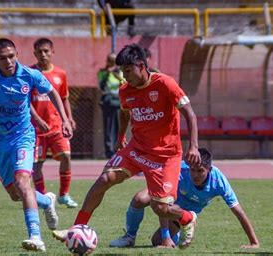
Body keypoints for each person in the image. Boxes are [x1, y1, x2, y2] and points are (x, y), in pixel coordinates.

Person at [53, 44, 201, 249]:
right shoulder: (125, 90)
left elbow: (190, 114)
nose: (124, 76)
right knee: (105, 179)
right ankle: (77, 227)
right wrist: (120, 137)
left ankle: (187, 218)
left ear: (141, 65)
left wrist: (193, 146)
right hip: (137, 149)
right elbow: (124, 113)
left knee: (161, 208)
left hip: (165, 156)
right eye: (122, 71)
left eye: (128, 70)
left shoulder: (166, 84)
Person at [0, 38, 73, 252]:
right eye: (2, 58)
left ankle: (35, 236)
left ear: (17, 55)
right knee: (16, 194)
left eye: (12, 56)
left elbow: (52, 91)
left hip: (23, 135)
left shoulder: (29, 74)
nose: (8, 61)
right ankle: (46, 201)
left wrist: (65, 119)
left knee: (23, 182)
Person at [109, 148, 260, 249]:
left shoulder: (218, 181)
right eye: (192, 170)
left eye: (200, 171)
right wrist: (165, 236)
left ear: (209, 169)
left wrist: (254, 243)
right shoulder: (180, 169)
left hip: (183, 212)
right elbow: (162, 199)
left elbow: (238, 211)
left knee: (156, 241)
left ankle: (186, 223)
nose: (195, 175)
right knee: (139, 199)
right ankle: (129, 237)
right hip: (168, 200)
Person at [30, 38, 78, 208]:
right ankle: (43, 197)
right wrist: (36, 118)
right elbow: (25, 101)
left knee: (66, 156)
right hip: (35, 129)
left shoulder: (60, 74)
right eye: (39, 51)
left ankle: (64, 195)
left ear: (52, 52)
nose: (43, 54)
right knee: (36, 165)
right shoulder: (29, 73)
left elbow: (64, 99)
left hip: (56, 125)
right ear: (34, 53)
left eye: (46, 51)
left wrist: (69, 118)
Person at [97, 53, 124, 158]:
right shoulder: (102, 72)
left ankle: (119, 150)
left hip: (119, 102)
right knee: (109, 127)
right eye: (110, 61)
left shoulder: (120, 72)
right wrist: (107, 74)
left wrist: (114, 73)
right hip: (108, 102)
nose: (112, 64)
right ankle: (109, 152)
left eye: (114, 62)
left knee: (120, 127)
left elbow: (123, 82)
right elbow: (102, 86)